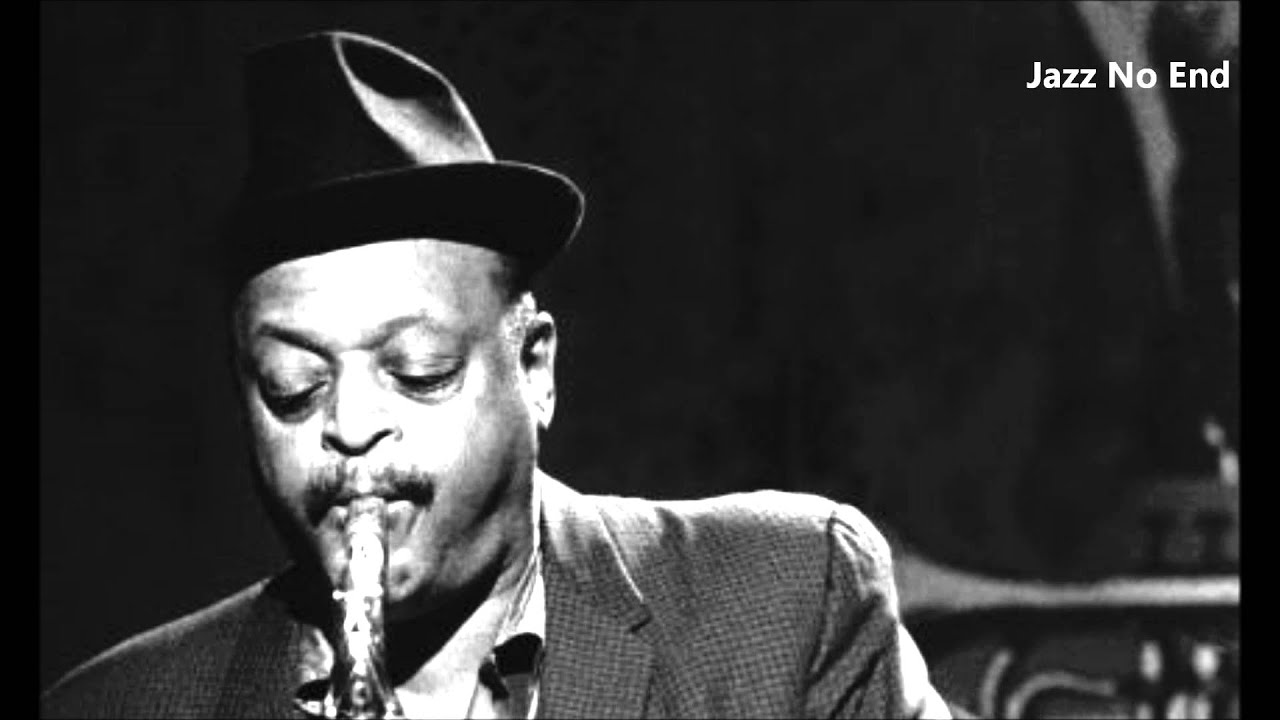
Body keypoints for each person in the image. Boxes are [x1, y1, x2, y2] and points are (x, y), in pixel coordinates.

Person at [40, 31, 951, 719]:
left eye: (420, 371)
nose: (349, 427)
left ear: (536, 368)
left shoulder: (787, 596)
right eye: (293, 387)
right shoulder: (113, 706)